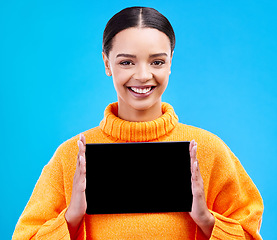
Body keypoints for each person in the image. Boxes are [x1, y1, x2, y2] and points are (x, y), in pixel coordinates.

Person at [13, 6, 263, 240]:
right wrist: (71, 218)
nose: (143, 75)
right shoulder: (72, 156)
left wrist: (206, 220)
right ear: (107, 63)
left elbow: (250, 232)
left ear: (170, 62)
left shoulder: (207, 150)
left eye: (157, 62)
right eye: (126, 62)